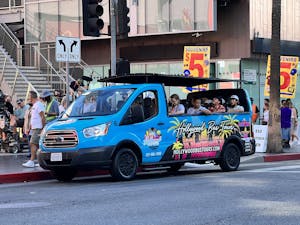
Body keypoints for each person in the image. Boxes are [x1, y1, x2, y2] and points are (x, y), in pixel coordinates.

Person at [22, 91, 46, 168]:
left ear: (32, 97)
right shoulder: (35, 105)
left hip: (38, 128)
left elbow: (42, 116)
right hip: (35, 128)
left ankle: (32, 161)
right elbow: (33, 118)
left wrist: (43, 128)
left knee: (32, 143)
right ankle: (41, 161)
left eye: (28, 96)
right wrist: (29, 128)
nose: (28, 98)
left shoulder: (38, 105)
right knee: (38, 145)